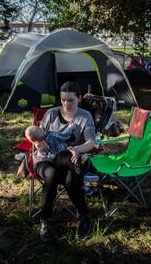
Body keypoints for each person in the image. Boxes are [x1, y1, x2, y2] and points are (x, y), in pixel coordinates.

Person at [32, 81, 96, 242]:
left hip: (69, 159)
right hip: (45, 159)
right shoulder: (51, 114)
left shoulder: (85, 116)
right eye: (63, 100)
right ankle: (44, 221)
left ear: (79, 98)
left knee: (70, 178)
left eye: (71, 100)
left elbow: (91, 142)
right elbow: (35, 133)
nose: (66, 104)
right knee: (52, 174)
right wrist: (36, 143)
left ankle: (84, 217)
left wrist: (79, 150)